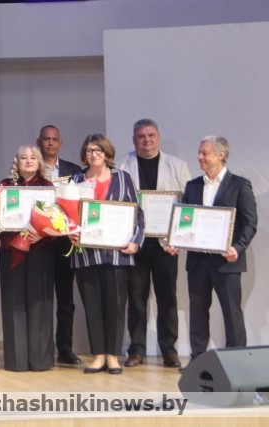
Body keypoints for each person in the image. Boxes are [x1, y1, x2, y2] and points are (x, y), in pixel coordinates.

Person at [168, 136, 256, 367]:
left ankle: (237, 363)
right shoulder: (193, 185)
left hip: (227, 261)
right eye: (199, 152)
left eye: (204, 153)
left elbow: (249, 223)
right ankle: (198, 361)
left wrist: (238, 248)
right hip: (198, 261)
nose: (199, 157)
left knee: (232, 313)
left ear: (221, 155)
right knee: (197, 312)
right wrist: (177, 241)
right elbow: (186, 222)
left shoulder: (239, 185)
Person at [117, 119, 191, 369]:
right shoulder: (122, 165)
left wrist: (178, 238)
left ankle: (169, 350)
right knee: (136, 299)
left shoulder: (177, 166)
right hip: (134, 243)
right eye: (141, 136)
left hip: (165, 245)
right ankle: (136, 350)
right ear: (134, 139)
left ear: (158, 137)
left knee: (167, 298)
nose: (146, 140)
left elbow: (187, 205)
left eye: (151, 135)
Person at [69, 134, 144, 375]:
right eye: (89, 150)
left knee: (115, 305)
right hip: (86, 254)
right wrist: (69, 231)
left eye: (98, 150)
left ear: (107, 153)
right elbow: (66, 214)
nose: (94, 155)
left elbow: (138, 213)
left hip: (116, 254)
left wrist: (135, 242)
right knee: (92, 306)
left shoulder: (122, 178)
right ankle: (98, 355)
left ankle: (112, 356)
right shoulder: (76, 179)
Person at [0, 145, 56, 372]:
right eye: (23, 157)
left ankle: (40, 360)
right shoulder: (5, 186)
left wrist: (43, 233)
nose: (28, 161)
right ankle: (17, 361)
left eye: (33, 157)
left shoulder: (48, 187)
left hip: (41, 250)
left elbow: (56, 222)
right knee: (14, 303)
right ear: (16, 162)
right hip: (11, 251)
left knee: (40, 303)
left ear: (39, 162)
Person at [36, 125, 82, 365]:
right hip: (39, 243)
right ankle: (42, 350)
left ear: (60, 143)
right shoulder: (31, 169)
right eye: (46, 139)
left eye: (54, 139)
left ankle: (65, 349)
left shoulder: (73, 171)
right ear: (39, 142)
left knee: (66, 300)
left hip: (65, 244)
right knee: (41, 300)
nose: (50, 143)